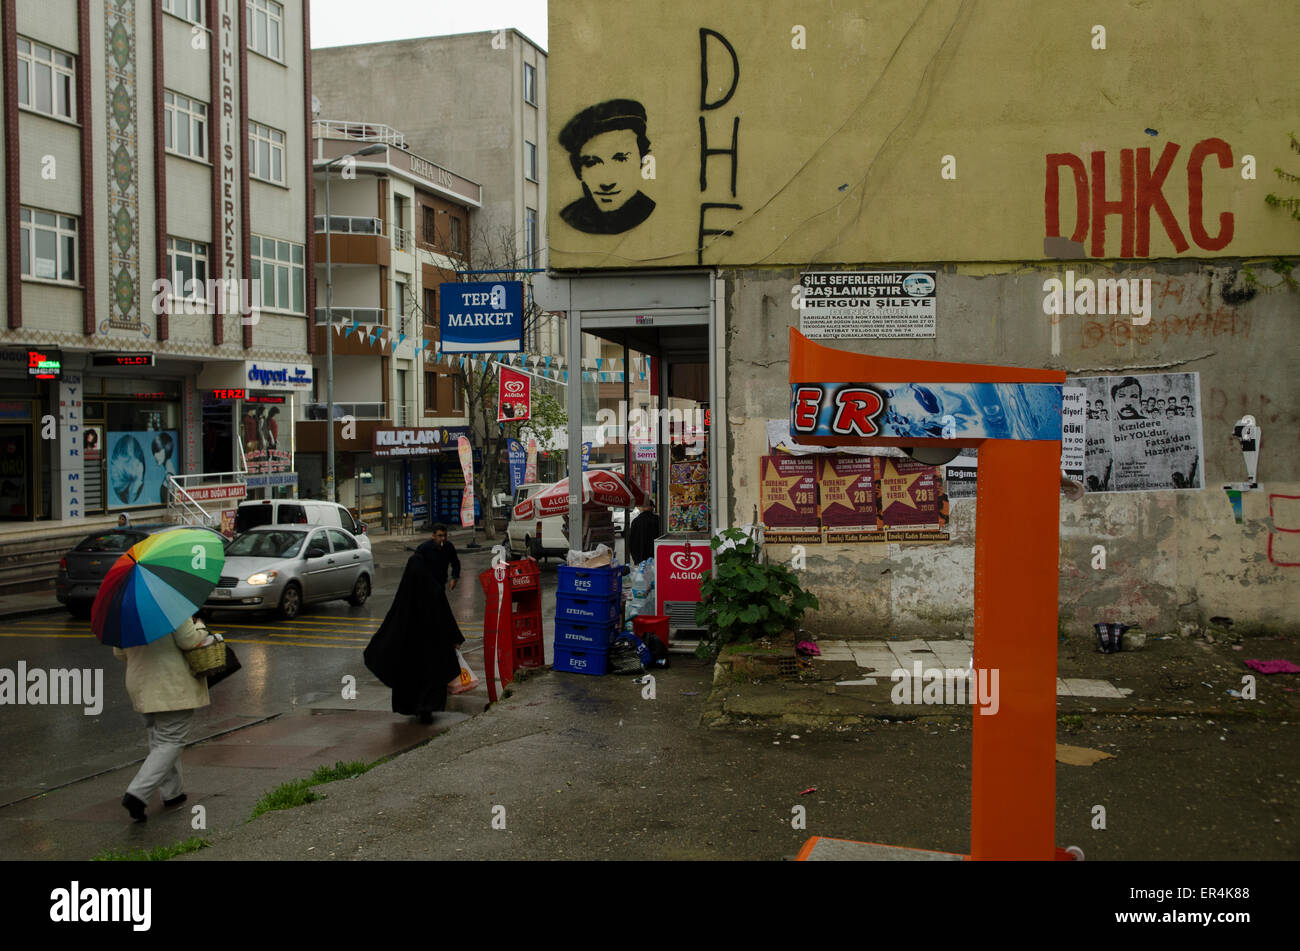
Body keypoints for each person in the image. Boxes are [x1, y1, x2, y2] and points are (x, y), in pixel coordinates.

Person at [114, 616, 211, 821]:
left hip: (140, 683)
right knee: (171, 742)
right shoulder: (170, 607)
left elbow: (119, 653)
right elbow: (188, 640)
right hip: (169, 684)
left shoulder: (125, 612)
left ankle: (172, 793)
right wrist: (201, 626)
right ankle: (137, 794)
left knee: (158, 739)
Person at [364, 536, 464, 725]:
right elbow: (446, 616)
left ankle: (415, 708)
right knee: (430, 680)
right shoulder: (433, 590)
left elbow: (391, 623)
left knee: (411, 682)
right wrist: (455, 637)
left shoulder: (405, 596)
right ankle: (427, 709)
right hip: (431, 651)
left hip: (410, 654)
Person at [558, 99, 656, 235]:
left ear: (643, 161)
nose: (607, 182)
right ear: (577, 170)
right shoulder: (572, 217)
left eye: (620, 159)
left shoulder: (651, 212)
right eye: (591, 162)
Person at [627, 499, 660, 565]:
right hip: (655, 556)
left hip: (640, 558)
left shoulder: (636, 521)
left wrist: (635, 558)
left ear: (642, 508)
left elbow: (631, 541)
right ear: (651, 507)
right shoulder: (658, 520)